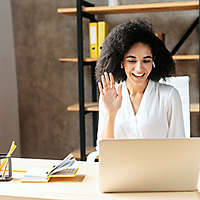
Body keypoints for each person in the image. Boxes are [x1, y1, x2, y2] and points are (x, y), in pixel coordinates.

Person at [95, 19, 185, 145]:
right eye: (132, 60)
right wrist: (111, 113)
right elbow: (103, 151)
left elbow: (179, 146)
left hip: (160, 165)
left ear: (154, 62)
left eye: (146, 60)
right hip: (120, 165)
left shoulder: (169, 96)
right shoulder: (109, 95)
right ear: (121, 62)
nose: (139, 69)